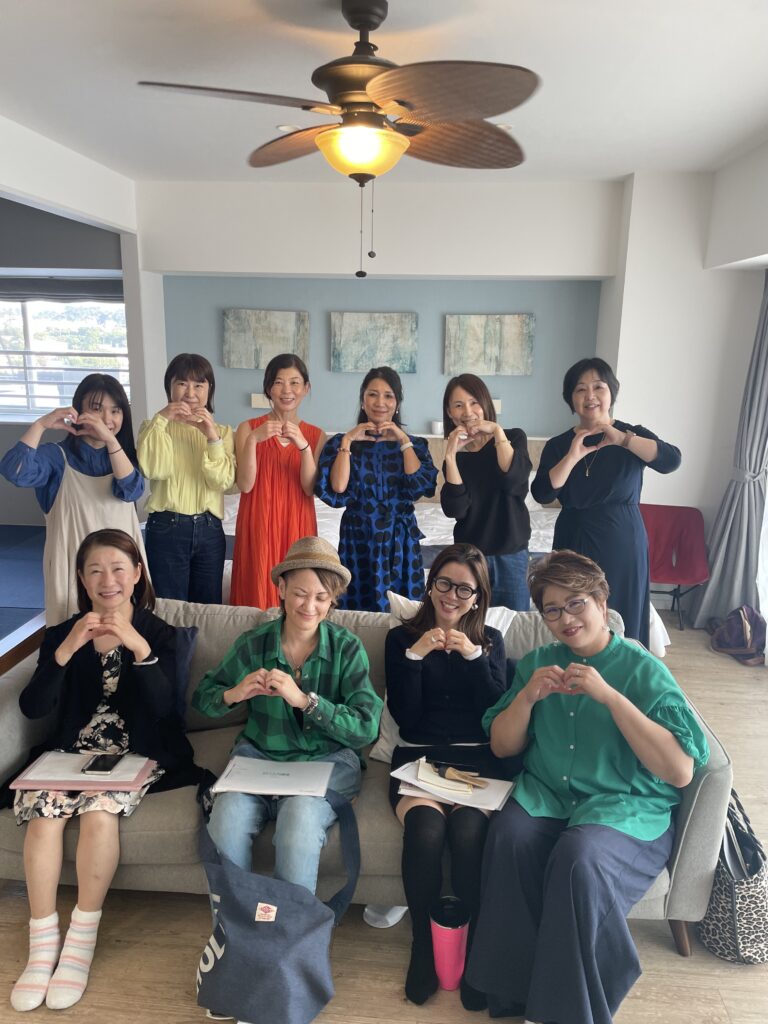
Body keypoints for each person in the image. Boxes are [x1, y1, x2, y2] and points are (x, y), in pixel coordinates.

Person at [465, 550, 709, 1024]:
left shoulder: (642, 669)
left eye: (575, 603)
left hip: (624, 806)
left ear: (601, 601)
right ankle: (510, 991)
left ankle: (563, 1013)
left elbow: (680, 771)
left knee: (580, 858)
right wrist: (528, 697)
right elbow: (501, 745)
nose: (565, 619)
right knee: (509, 837)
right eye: (552, 610)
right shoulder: (538, 663)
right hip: (547, 795)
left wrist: (610, 697)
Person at [7, 529, 206, 1013]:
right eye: (95, 570)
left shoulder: (160, 633)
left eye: (118, 568)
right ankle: (41, 945)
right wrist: (66, 649)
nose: (107, 580)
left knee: (99, 814)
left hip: (136, 752)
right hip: (69, 752)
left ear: (137, 574)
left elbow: (166, 711)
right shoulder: (62, 633)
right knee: (44, 815)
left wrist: (139, 648)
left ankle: (81, 939)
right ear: (82, 578)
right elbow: (34, 708)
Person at [192, 536, 383, 894]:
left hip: (328, 760)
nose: (310, 606)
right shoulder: (253, 644)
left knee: (298, 822)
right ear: (281, 589)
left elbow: (365, 727)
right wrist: (235, 693)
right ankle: (235, 922)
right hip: (259, 758)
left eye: (321, 597)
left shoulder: (347, 648)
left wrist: (307, 702)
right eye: (300, 593)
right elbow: (202, 699)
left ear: (332, 600)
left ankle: (290, 927)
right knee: (226, 820)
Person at [385, 543, 511, 1009]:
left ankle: (473, 949)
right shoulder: (400, 639)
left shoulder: (491, 641)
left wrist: (475, 658)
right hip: (420, 758)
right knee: (425, 830)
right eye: (444, 583)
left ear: (478, 597)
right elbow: (407, 719)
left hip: (478, 762)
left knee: (468, 832)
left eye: (464, 589)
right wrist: (415, 658)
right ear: (430, 583)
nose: (451, 596)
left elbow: (495, 716)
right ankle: (422, 943)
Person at [531, 357, 680, 647]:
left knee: (624, 613)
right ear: (570, 398)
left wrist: (623, 439)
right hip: (573, 538)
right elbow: (543, 494)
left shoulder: (632, 435)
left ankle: (624, 670)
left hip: (622, 540)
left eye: (598, 387)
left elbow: (671, 460)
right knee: (572, 612)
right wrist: (572, 456)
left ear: (611, 392)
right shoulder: (559, 444)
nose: (590, 396)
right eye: (580, 389)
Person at [0, 373, 146, 623]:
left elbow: (131, 490)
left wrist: (111, 441)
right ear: (78, 411)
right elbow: (15, 472)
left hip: (121, 568)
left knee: (125, 631)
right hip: (72, 568)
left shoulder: (124, 458)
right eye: (97, 409)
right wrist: (40, 425)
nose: (107, 419)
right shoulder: (57, 456)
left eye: (115, 411)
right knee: (74, 633)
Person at [315, 366, 437, 611]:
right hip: (358, 537)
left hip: (400, 538)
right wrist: (348, 441)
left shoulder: (415, 445)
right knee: (357, 613)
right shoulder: (341, 442)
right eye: (372, 394)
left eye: (388, 396)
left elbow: (417, 487)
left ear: (397, 403)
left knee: (404, 612)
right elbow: (337, 488)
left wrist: (403, 440)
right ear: (363, 400)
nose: (380, 402)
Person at [138, 353, 235, 603]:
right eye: (182, 383)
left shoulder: (223, 432)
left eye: (199, 385)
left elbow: (222, 482)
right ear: (169, 387)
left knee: (208, 608)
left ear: (209, 389)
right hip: (166, 526)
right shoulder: (153, 427)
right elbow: (154, 469)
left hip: (210, 529)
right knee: (168, 607)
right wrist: (161, 419)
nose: (190, 392)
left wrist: (211, 436)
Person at [230, 354, 326, 610]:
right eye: (278, 382)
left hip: (297, 521)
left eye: (295, 383)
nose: (287, 390)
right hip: (258, 519)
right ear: (268, 388)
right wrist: (254, 440)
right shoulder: (247, 428)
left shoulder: (317, 435)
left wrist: (304, 447)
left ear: (306, 388)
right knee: (257, 591)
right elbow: (245, 485)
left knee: (298, 592)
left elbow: (309, 488)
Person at [440, 373, 532, 609]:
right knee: (469, 625)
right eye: (458, 405)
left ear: (485, 404)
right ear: (450, 413)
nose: (467, 412)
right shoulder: (456, 458)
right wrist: (450, 456)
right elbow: (456, 510)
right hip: (469, 558)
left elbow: (515, 480)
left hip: (511, 554)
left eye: (474, 402)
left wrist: (497, 431)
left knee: (513, 626)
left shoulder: (513, 437)